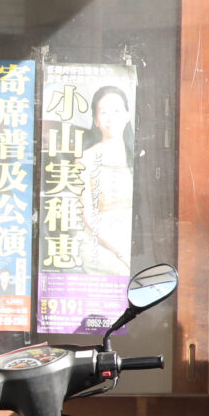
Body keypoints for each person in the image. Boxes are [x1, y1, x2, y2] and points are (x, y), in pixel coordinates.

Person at [80, 85, 134, 276]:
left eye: (117, 110)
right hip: (101, 243)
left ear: (127, 115)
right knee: (123, 272)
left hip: (133, 240)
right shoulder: (86, 158)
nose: (111, 117)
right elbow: (87, 212)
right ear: (96, 120)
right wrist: (120, 251)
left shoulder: (137, 156)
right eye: (104, 112)